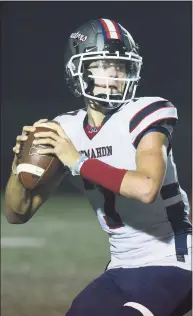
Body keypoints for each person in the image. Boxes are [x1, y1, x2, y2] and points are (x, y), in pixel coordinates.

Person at [5, 18, 192, 316]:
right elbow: (17, 213)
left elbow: (145, 187)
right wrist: (19, 169)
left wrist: (78, 161)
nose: (115, 74)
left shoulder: (145, 113)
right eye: (104, 65)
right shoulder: (65, 129)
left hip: (175, 260)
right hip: (120, 267)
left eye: (120, 67)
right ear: (78, 70)